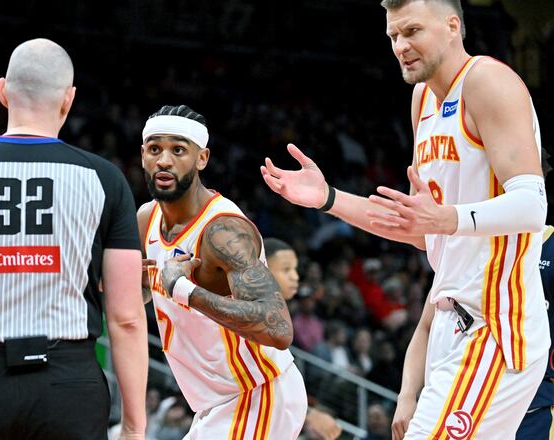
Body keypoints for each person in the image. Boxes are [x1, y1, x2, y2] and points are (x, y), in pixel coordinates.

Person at [261, 0, 548, 438]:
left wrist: (447, 218)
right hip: (450, 325)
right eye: (393, 35)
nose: (401, 46)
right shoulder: (422, 101)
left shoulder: (487, 80)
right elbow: (417, 229)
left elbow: (531, 206)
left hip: (496, 325)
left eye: (412, 31)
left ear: (453, 26)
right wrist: (329, 198)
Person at [0, 38, 148, 440]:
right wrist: (134, 428)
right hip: (71, 386)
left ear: (3, 91)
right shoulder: (106, 179)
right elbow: (127, 318)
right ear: (68, 100)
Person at [139, 105, 307, 439]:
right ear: (143, 154)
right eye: (155, 149)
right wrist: (139, 289)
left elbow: (278, 328)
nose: (164, 161)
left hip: (258, 393)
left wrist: (185, 291)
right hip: (214, 403)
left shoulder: (223, 231)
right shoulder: (146, 219)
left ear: (202, 158)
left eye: (178, 150)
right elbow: (149, 293)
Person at [265, 237, 343, 440]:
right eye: (286, 269)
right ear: (262, 269)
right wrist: (308, 416)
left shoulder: (274, 317)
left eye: (295, 269)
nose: (295, 277)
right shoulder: (251, 319)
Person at [516, 224, 554, 438]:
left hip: (537, 405)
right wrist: (407, 395)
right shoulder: (476, 244)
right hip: (478, 397)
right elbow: (428, 324)